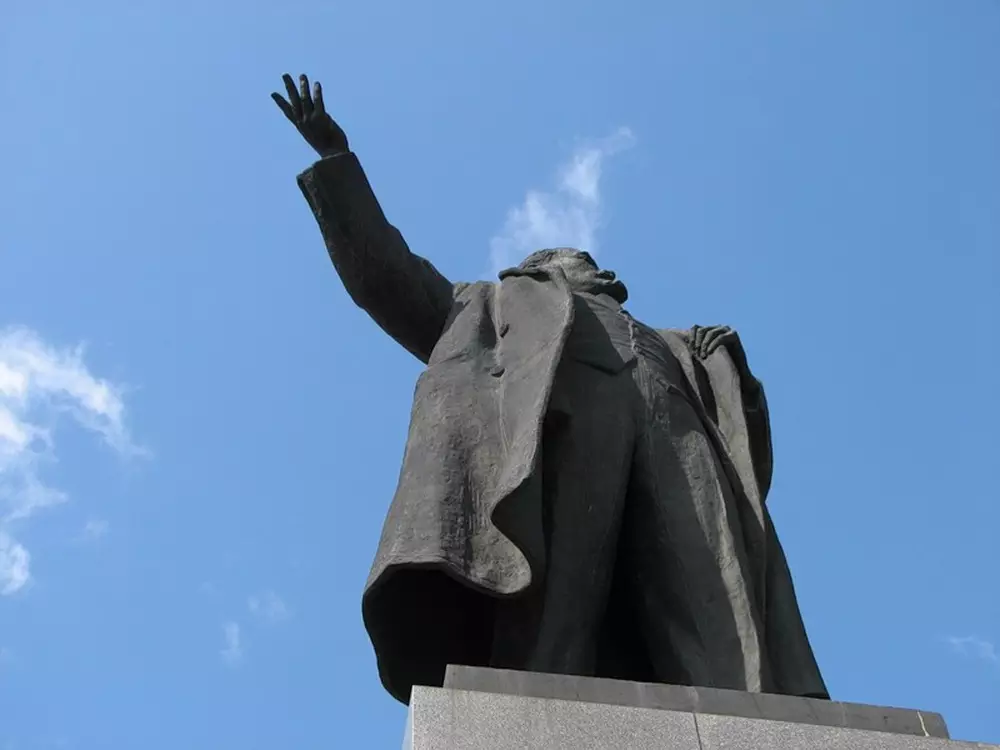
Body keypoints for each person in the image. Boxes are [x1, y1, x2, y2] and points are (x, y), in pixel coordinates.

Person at [272, 73, 828, 704]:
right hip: (564, 430)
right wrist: (337, 161)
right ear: (537, 270)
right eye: (580, 260)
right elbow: (388, 279)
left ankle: (747, 711)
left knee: (713, 586)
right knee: (558, 604)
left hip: (676, 436)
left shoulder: (676, 343)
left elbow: (748, 454)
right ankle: (532, 710)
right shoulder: (491, 304)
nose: (602, 268)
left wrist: (727, 370)